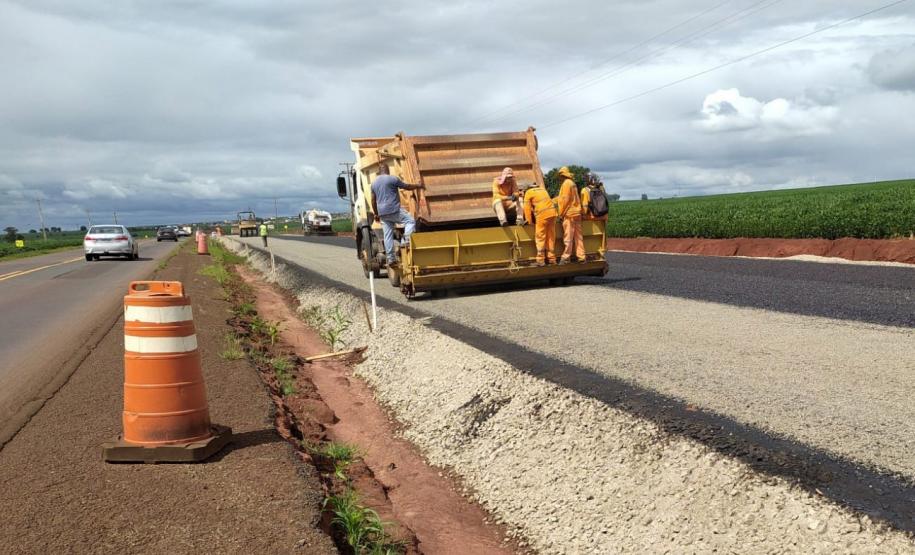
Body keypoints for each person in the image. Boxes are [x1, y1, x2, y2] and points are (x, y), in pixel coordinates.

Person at [370, 162, 425, 267]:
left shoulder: (374, 183)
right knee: (410, 221)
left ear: (379, 172)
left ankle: (391, 259)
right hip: (394, 210)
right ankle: (405, 240)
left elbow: (373, 200)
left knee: (388, 236)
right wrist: (418, 185)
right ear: (387, 170)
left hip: (382, 213)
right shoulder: (392, 179)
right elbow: (407, 186)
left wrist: (376, 214)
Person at [553, 166, 585, 264]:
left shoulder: (566, 184)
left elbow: (565, 200)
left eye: (560, 176)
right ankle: (581, 256)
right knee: (578, 237)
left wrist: (560, 214)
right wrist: (552, 200)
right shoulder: (572, 183)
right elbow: (565, 198)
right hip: (577, 213)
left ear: (562, 175)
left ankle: (566, 257)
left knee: (568, 237)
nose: (559, 178)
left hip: (569, 214)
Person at [522, 182, 558, 266]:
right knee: (551, 236)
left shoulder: (529, 192)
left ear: (527, 189)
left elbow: (527, 208)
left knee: (540, 236)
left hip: (542, 215)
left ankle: (540, 260)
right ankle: (552, 259)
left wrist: (529, 221)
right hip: (552, 213)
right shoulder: (543, 190)